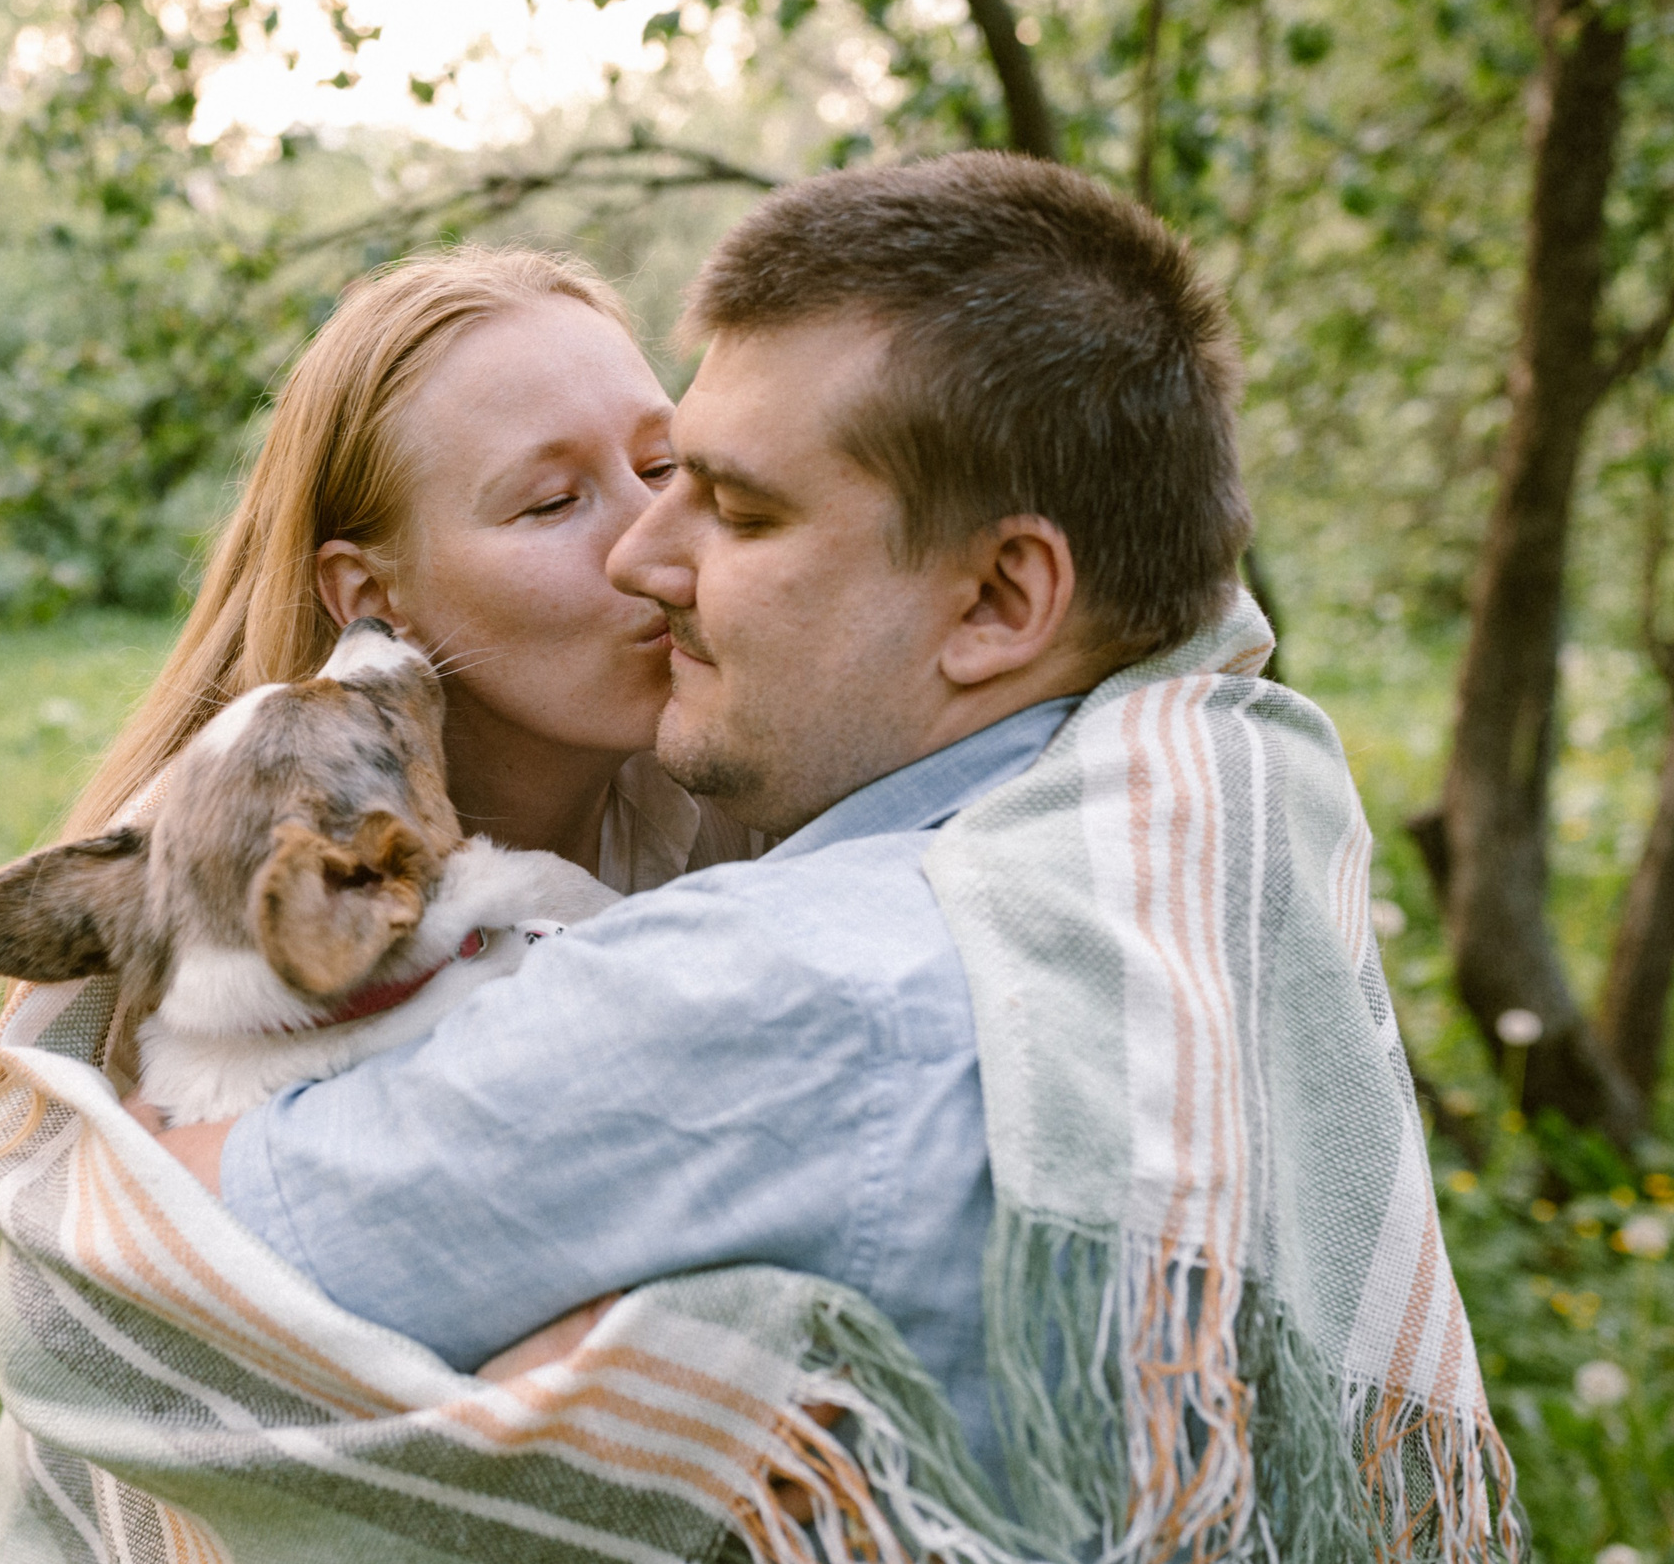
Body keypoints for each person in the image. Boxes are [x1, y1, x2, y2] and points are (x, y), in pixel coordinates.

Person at [140, 153, 1516, 1558]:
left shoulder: (771, 977)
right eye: (555, 502)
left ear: (1001, 595)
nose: (641, 554)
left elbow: (157, 1265)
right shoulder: (1213, 796)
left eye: (720, 499)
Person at [0, 244, 761, 1245]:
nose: (657, 536)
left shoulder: (761, 778)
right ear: (370, 596)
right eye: (550, 503)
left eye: (666, 466)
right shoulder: (215, 906)